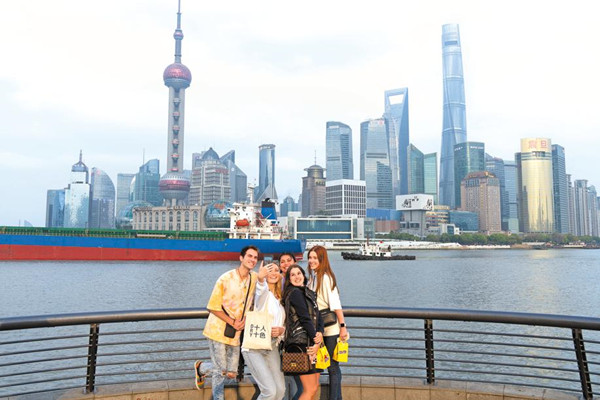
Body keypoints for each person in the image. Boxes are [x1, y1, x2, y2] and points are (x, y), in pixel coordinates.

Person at [200, 245, 260, 400]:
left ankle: (201, 368)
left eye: (255, 257)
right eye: (249, 256)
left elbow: (251, 304)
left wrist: (244, 320)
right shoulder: (225, 278)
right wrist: (233, 322)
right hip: (218, 329)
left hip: (236, 332)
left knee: (232, 373)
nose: (252, 260)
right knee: (220, 372)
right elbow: (212, 307)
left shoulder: (253, 278)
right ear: (241, 258)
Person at [307, 245, 349, 400]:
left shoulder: (325, 277)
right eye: (310, 257)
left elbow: (335, 304)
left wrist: (343, 326)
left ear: (321, 260)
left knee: (332, 367)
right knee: (325, 365)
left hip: (330, 329)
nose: (311, 261)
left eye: (314, 258)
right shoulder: (314, 277)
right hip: (319, 328)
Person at [242, 261, 286, 400]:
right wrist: (260, 279)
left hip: (272, 346)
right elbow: (261, 289)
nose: (273, 273)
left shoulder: (280, 297)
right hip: (255, 348)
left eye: (276, 270)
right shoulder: (262, 293)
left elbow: (283, 323)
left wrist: (282, 330)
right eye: (269, 270)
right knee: (269, 392)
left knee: (280, 391)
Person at [282, 264, 324, 400]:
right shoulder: (294, 293)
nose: (296, 277)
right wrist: (315, 338)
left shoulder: (307, 292)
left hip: (311, 341)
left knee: (314, 386)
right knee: (310, 389)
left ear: (303, 275)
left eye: (298, 273)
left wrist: (320, 333)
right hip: (301, 343)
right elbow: (304, 317)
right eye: (292, 275)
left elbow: (318, 315)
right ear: (288, 279)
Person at [277, 252, 303, 400]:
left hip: (294, 337)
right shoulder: (276, 281)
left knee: (295, 374)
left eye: (289, 260)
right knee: (284, 374)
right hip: (280, 336)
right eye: (282, 261)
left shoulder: (299, 283)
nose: (286, 264)